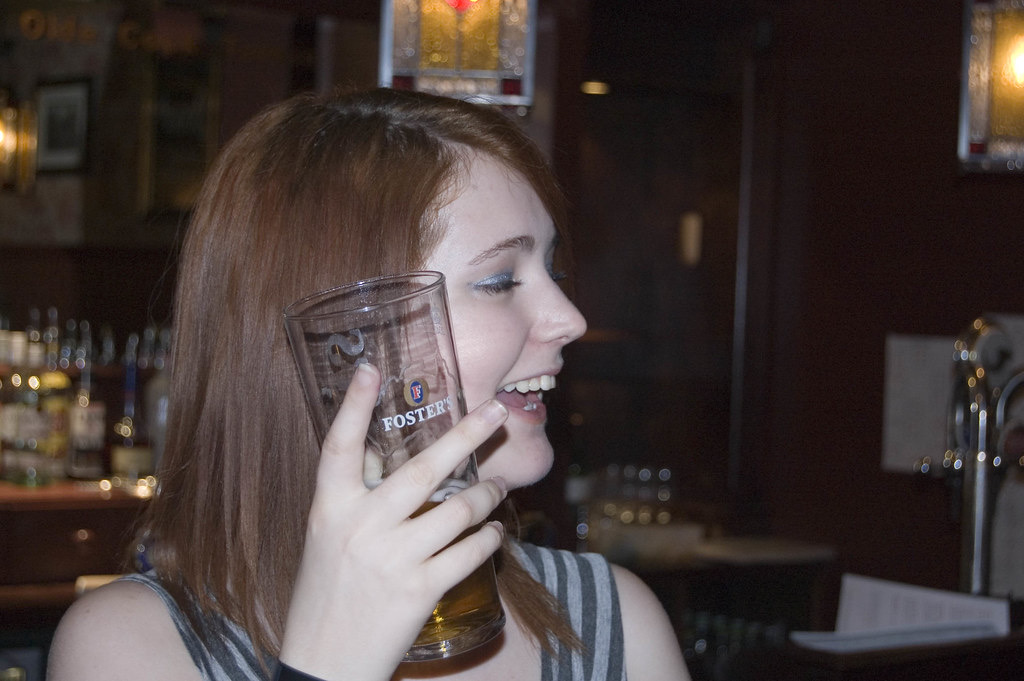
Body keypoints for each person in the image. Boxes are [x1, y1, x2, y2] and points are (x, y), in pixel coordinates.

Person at [47, 88, 689, 681]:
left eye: (553, 269)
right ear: (346, 336)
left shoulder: (609, 623)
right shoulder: (132, 649)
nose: (570, 320)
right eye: (499, 280)